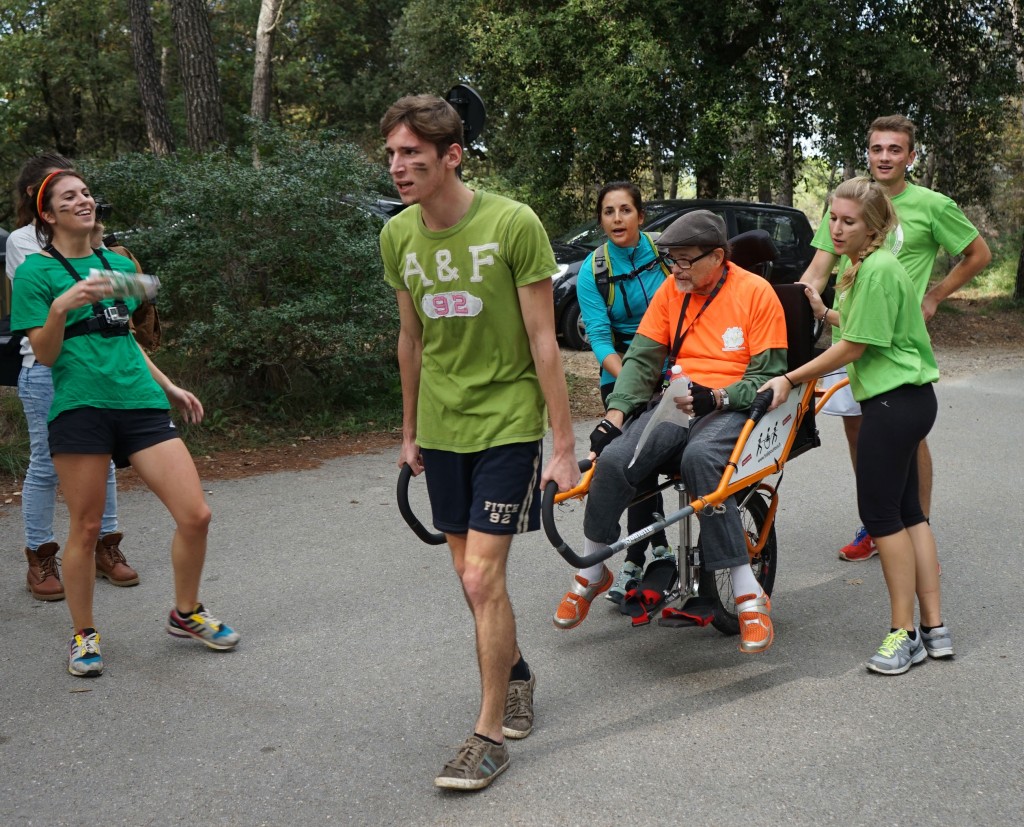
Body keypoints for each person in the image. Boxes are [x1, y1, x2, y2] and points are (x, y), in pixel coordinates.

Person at [379, 94, 578, 791]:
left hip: (507, 422)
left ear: (452, 155)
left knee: (478, 577)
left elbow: (545, 340)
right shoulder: (398, 236)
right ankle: (517, 672)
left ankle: (488, 735)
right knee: (472, 584)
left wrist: (562, 442)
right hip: (441, 427)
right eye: (394, 154)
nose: (398, 167)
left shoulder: (513, 223)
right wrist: (408, 433)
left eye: (413, 154)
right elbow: (411, 339)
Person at [10, 168, 239, 676]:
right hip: (80, 407)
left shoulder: (116, 264)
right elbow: (45, 354)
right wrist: (60, 308)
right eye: (70, 197)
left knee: (195, 514)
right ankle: (84, 635)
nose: (84, 200)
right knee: (87, 529)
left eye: (87, 193)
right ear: (48, 214)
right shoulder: (35, 274)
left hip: (138, 401)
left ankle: (186, 612)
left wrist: (169, 385)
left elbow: (122, 335)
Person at [554, 210, 788, 653]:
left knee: (701, 462)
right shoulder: (672, 291)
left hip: (731, 405)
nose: (675, 269)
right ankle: (592, 570)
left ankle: (746, 590)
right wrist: (616, 416)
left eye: (683, 260)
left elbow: (769, 377)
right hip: (677, 400)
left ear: (717, 257)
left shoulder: (756, 294)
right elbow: (642, 359)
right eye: (672, 260)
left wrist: (717, 398)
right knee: (618, 457)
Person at [763, 177, 950, 674]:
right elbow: (872, 323)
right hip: (914, 399)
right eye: (833, 219)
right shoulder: (873, 266)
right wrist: (828, 312)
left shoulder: (875, 269)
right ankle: (935, 628)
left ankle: (902, 634)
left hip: (890, 406)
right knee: (911, 514)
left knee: (882, 516)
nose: (837, 229)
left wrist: (790, 377)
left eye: (849, 221)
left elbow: (855, 348)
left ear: (874, 225)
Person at [801, 115, 991, 562]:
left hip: (895, 345)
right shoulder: (849, 204)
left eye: (894, 149)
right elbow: (818, 270)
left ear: (911, 155)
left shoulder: (933, 205)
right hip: (849, 330)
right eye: (877, 149)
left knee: (904, 434)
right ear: (867, 152)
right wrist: (792, 304)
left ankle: (915, 525)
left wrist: (935, 296)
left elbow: (978, 254)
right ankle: (876, 520)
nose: (884, 157)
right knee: (857, 430)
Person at [6, 152, 138, 602]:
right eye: (62, 189)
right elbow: (73, 292)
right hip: (45, 368)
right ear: (38, 199)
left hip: (99, 364)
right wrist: (101, 259)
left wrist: (103, 253)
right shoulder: (24, 243)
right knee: (45, 464)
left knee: (104, 463)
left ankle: (107, 547)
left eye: (82, 189)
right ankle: (40, 556)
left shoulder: (91, 239)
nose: (81, 198)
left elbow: (124, 293)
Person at [564, 180, 672, 611]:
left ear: (641, 217)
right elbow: (601, 341)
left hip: (673, 363)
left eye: (625, 210)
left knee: (648, 455)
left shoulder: (666, 255)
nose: (617, 219)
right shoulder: (593, 270)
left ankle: (644, 553)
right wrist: (632, 378)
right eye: (608, 212)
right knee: (633, 455)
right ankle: (644, 554)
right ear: (601, 220)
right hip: (622, 371)